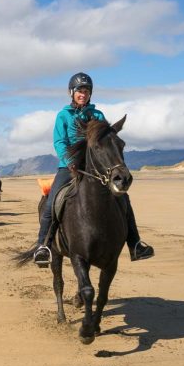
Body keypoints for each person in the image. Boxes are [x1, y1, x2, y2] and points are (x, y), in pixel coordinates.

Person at [33, 72, 154, 266]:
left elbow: (105, 141)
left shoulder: (97, 115)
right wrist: (70, 160)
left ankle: (135, 244)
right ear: (71, 92)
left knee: (123, 198)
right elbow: (59, 142)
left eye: (87, 91)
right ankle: (43, 246)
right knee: (51, 202)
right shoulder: (63, 116)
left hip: (94, 168)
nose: (83, 94)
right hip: (69, 166)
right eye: (80, 90)